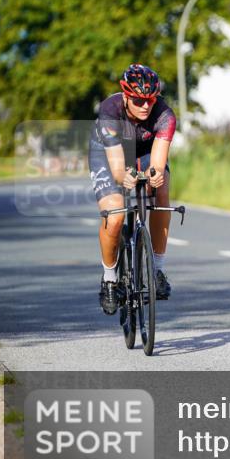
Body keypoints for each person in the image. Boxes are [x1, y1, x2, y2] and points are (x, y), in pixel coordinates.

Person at [88, 64, 176, 315]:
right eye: (138, 100)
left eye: (150, 99)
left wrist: (155, 176)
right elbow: (117, 169)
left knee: (161, 194)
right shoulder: (109, 110)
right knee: (114, 216)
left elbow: (157, 163)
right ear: (126, 96)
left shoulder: (165, 116)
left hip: (145, 150)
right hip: (108, 151)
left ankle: (157, 270)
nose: (145, 106)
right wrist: (124, 177)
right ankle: (109, 279)